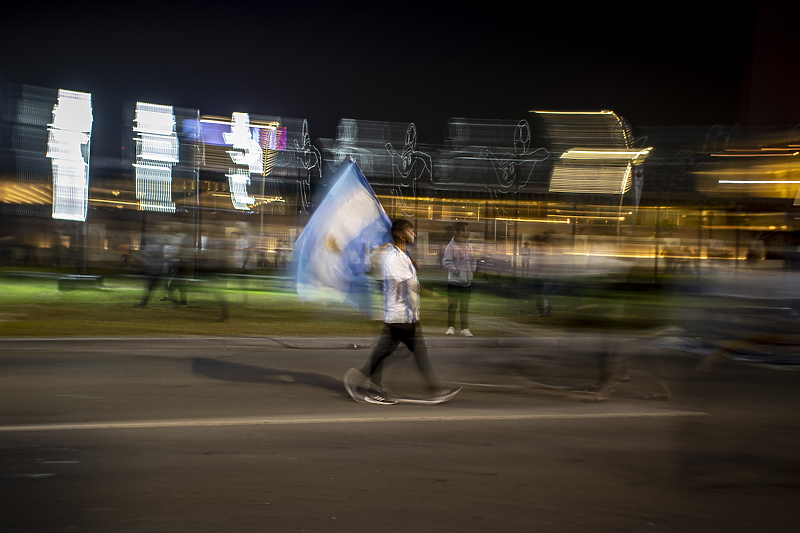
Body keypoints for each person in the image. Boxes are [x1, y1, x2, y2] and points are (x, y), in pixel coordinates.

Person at [359, 219, 454, 404]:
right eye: (411, 230)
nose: (414, 234)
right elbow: (414, 287)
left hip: (405, 315)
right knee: (414, 353)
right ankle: (434, 390)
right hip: (400, 316)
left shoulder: (401, 255)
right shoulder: (395, 259)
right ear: (401, 234)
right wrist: (441, 298)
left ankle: (363, 381)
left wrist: (411, 262)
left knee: (384, 353)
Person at [442, 221, 477, 337]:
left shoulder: (468, 246)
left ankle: (464, 328)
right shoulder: (451, 246)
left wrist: (471, 272)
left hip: (467, 283)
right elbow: (447, 261)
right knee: (452, 306)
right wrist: (456, 272)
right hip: (454, 282)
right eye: (467, 230)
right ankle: (451, 327)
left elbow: (473, 260)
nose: (469, 232)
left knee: (465, 306)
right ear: (461, 231)